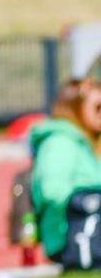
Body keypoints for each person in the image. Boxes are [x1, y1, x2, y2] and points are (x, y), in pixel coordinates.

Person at [29, 79, 101, 263]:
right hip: (72, 240)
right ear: (76, 107)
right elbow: (53, 192)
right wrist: (88, 202)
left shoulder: (83, 144)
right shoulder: (60, 143)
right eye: (98, 107)